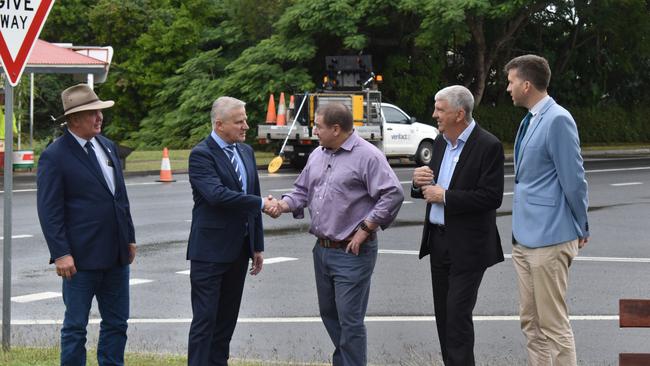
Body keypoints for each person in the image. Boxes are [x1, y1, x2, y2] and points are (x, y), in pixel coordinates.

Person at [267, 103, 404, 365]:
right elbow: (302, 192)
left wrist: (366, 228)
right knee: (329, 315)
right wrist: (281, 205)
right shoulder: (318, 154)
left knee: (349, 321)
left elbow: (392, 193)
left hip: (351, 252)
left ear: (336, 128)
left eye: (318, 126)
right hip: (322, 250)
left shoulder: (368, 156)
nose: (314, 131)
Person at [36, 84, 136, 365]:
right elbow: (49, 210)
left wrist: (129, 237)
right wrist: (61, 253)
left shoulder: (107, 146)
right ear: (74, 119)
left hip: (116, 255)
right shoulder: (55, 156)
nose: (99, 117)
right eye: (93, 112)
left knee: (117, 323)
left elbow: (120, 197)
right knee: (75, 327)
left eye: (100, 112)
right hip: (78, 259)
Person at [505, 54, 589, 366]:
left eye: (511, 81)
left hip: (551, 237)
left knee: (552, 324)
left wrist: (582, 224)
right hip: (524, 238)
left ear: (527, 84)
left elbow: (574, 179)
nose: (508, 88)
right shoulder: (530, 120)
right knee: (530, 322)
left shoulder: (558, 119)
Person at [411, 85, 504, 365]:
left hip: (469, 246)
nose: (434, 114)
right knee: (443, 317)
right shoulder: (439, 142)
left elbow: (491, 197)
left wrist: (446, 197)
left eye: (440, 109)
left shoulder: (488, 145)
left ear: (459, 114)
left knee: (457, 315)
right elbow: (429, 189)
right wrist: (418, 183)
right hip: (438, 241)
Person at [187, 96, 276, 365]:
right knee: (205, 321)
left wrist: (257, 246)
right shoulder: (201, 155)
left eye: (245, 120)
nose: (246, 126)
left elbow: (253, 195)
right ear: (219, 124)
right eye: (239, 122)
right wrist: (261, 204)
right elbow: (217, 195)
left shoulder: (245, 152)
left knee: (226, 322)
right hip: (210, 253)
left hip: (239, 250)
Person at [0, 88, 17, 153]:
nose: (3, 98)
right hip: (1, 138)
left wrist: (14, 131)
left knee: (6, 158)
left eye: (4, 96)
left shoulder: (8, 108)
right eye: (1, 95)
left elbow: (13, 120)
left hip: (8, 138)